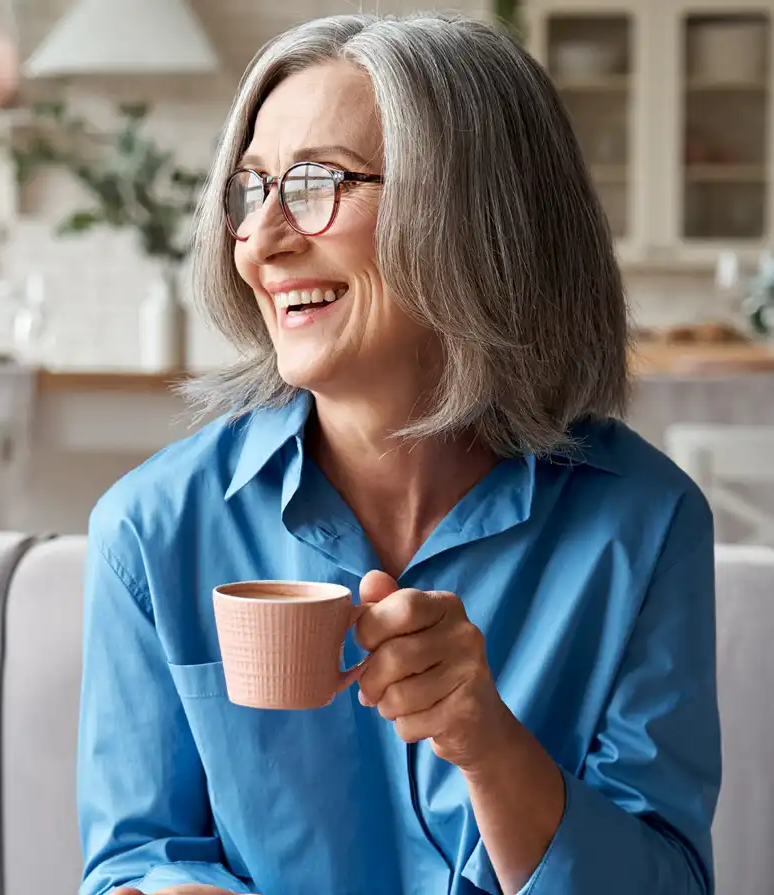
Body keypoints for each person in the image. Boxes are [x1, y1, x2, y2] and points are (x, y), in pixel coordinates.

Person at [78, 12, 720, 895]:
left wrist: (488, 744)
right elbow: (134, 857)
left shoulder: (641, 525)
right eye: (249, 188)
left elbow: (666, 882)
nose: (260, 242)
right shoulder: (152, 531)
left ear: (477, 213)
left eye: (315, 183)